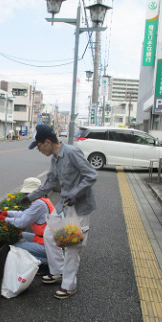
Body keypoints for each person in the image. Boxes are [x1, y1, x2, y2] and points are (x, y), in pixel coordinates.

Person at [22, 124, 97, 299]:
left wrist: (75, 194)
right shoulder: (55, 158)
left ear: (47, 142)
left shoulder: (71, 152)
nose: (39, 150)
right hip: (64, 206)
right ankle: (58, 272)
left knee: (72, 246)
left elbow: (91, 175)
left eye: (39, 146)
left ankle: (69, 285)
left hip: (79, 208)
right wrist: (30, 197)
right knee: (50, 235)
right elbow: (49, 184)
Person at [0, 177, 55, 275]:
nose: (27, 196)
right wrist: (7, 213)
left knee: (14, 246)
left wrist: (4, 219)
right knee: (22, 235)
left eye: (28, 193)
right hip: (46, 240)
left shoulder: (39, 204)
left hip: (48, 245)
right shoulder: (42, 200)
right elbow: (24, 214)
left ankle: (45, 263)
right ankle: (48, 259)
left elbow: (22, 223)